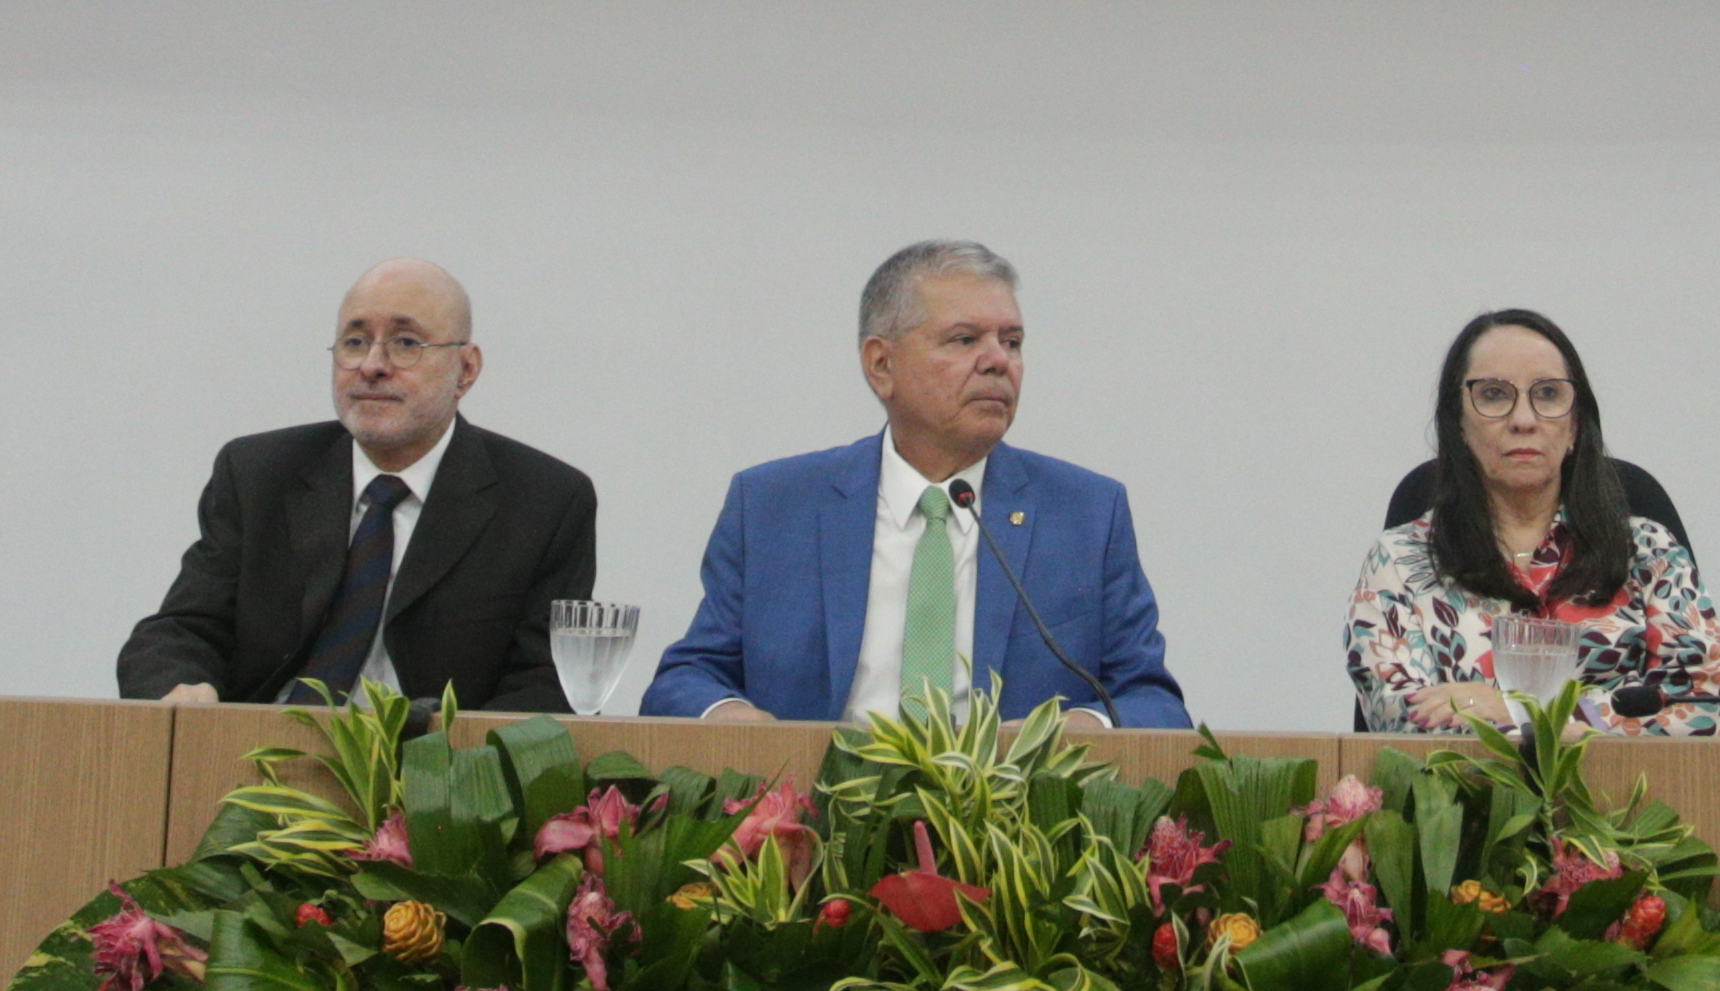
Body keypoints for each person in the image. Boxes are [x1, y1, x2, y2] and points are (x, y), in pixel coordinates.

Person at [645, 240, 1188, 727]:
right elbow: (683, 680)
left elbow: (1153, 702)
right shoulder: (773, 505)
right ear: (882, 365)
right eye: (965, 338)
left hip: (1009, 828)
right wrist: (741, 724)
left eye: (1013, 341)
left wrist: (1072, 733)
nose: (998, 361)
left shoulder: (1087, 513)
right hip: (820, 822)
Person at [116, 258, 599, 707]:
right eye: (354, 342)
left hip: (431, 778)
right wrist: (181, 689)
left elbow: (545, 683)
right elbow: (181, 630)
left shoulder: (545, 501)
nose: (372, 365)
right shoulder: (258, 473)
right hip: (255, 766)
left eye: (406, 343)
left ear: (466, 369)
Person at [1342, 308, 1720, 735]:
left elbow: (1700, 705)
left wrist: (1518, 713)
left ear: (1576, 424)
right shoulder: (1399, 562)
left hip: (1630, 800)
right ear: (1460, 425)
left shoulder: (1650, 553)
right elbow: (1403, 721)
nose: (1523, 420)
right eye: (1492, 394)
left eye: (1546, 394)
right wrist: (1590, 724)